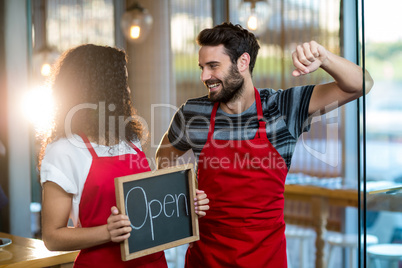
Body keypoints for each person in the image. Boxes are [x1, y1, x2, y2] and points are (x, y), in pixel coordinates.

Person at [155, 22, 374, 267]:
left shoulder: (282, 107)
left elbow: (361, 84)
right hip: (206, 259)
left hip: (266, 259)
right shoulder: (193, 112)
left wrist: (324, 58)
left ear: (243, 62)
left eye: (213, 66)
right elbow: (162, 159)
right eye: (202, 67)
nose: (204, 76)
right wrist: (181, 194)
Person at [39, 44, 209, 268]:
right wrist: (106, 232)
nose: (127, 91)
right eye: (123, 83)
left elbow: (147, 209)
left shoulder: (130, 141)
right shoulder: (64, 151)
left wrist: (186, 205)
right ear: (100, 88)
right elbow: (52, 237)